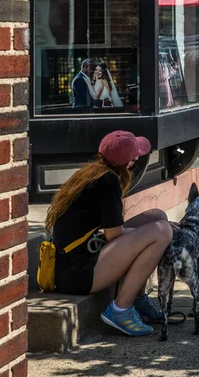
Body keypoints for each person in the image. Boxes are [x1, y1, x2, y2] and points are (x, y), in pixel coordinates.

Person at [45, 130, 179, 336]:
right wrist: (156, 232)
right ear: (128, 161)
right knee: (160, 232)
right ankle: (121, 309)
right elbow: (114, 235)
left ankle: (138, 298)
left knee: (157, 216)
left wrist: (148, 231)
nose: (137, 159)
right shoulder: (108, 182)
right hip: (78, 273)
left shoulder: (94, 173)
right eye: (135, 156)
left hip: (76, 260)